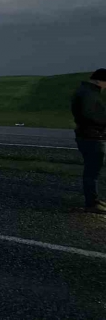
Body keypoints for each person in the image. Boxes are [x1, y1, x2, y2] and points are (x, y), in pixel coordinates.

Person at [71, 68, 106, 214]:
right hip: (92, 137)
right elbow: (90, 115)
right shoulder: (89, 94)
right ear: (99, 80)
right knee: (92, 172)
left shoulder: (86, 91)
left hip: (88, 135)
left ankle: (94, 200)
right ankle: (92, 203)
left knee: (93, 170)